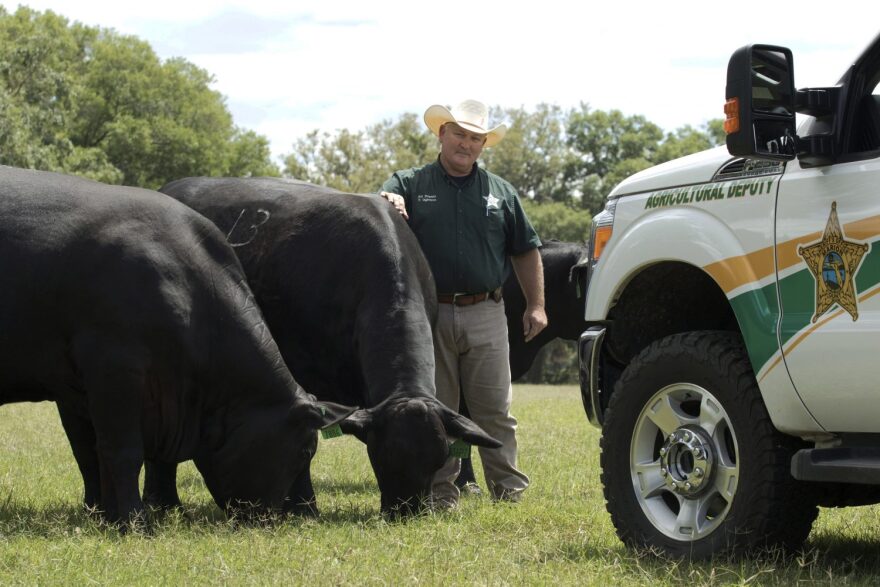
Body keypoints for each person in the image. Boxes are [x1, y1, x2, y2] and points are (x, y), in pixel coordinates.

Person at [379, 99, 547, 509]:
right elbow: (382, 199)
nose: (466, 145)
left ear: (483, 145)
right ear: (442, 135)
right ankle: (441, 493)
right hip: (430, 315)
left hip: (487, 311)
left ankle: (509, 491)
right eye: (459, 134)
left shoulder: (501, 193)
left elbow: (525, 250)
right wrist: (389, 200)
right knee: (439, 412)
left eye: (476, 138)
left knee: (495, 412)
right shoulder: (412, 183)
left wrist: (536, 305)